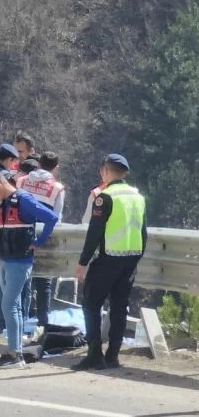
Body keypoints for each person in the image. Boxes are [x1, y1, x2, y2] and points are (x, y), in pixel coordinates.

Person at [0, 172, 59, 369]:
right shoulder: (6, 203)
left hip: (19, 262)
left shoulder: (23, 200)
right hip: (7, 260)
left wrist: (39, 242)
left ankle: (14, 353)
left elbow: (51, 217)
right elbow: (6, 232)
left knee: (9, 306)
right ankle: (17, 352)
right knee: (12, 306)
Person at [73, 154, 146, 371]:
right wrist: (136, 257)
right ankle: (113, 355)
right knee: (119, 308)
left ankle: (94, 354)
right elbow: (144, 231)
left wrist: (83, 262)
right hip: (130, 259)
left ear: (106, 170)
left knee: (91, 304)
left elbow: (94, 233)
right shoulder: (138, 196)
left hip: (108, 259)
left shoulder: (105, 197)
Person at [18, 152, 66, 325]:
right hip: (44, 236)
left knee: (21, 279)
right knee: (44, 281)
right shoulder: (57, 188)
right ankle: (43, 323)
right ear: (56, 168)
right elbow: (57, 216)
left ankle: (20, 321)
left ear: (38, 164)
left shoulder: (22, 181)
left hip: (21, 233)